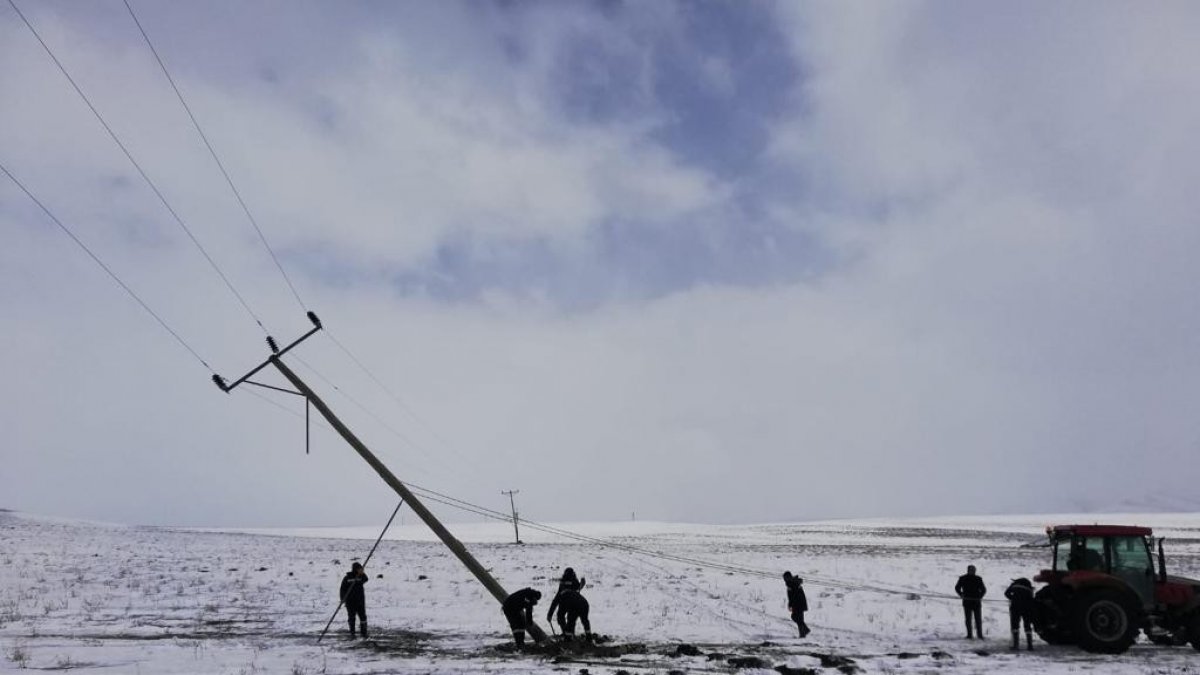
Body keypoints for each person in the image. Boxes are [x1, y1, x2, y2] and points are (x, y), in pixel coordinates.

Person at [546, 568, 591, 641]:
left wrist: (549, 615)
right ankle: (586, 637)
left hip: (570, 602)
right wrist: (581, 585)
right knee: (579, 620)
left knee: (568, 619)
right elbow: (577, 589)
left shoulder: (563, 584)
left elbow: (556, 600)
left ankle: (567, 635)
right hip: (581, 602)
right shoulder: (573, 580)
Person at [954, 564, 987, 639]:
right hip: (967, 601)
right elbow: (957, 588)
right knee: (968, 619)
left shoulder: (978, 579)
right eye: (971, 570)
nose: (973, 571)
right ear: (968, 570)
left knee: (978, 619)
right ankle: (969, 635)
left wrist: (980, 597)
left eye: (974, 570)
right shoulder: (962, 578)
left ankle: (980, 635)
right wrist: (961, 594)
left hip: (976, 602)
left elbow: (984, 590)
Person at [1004, 577, 1036, 651]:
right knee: (1027, 626)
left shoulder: (1014, 585)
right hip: (1026, 608)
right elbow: (1031, 598)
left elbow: (1006, 593)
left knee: (1015, 626)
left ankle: (1016, 645)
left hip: (1015, 607)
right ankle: (1030, 646)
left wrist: (1013, 598)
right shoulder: (1029, 587)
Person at [339, 562, 369, 638]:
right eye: (359, 569)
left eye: (361, 569)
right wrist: (343, 599)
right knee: (352, 617)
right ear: (355, 569)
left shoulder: (361, 576)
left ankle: (364, 633)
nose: (361, 570)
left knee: (363, 617)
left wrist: (362, 573)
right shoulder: (347, 577)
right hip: (350, 602)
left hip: (360, 601)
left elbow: (366, 579)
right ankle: (352, 633)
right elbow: (342, 589)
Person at [783, 571, 810, 638]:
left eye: (785, 578)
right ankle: (803, 632)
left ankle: (804, 632)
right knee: (799, 619)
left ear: (788, 577)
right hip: (799, 603)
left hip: (798, 604)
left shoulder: (792, 584)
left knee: (796, 618)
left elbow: (793, 596)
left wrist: (791, 605)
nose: (784, 579)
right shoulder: (793, 583)